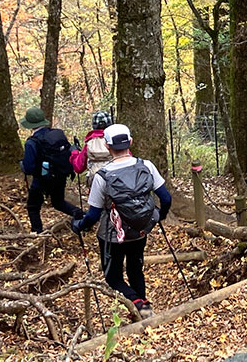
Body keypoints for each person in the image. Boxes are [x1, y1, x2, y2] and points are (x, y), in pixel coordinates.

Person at [72, 123, 172, 318]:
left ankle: (139, 306)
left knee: (113, 277)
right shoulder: (146, 165)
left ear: (108, 147)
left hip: (112, 235)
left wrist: (79, 226)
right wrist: (160, 215)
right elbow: (166, 198)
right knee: (136, 268)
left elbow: (93, 215)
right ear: (131, 142)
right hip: (141, 229)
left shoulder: (103, 176)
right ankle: (143, 308)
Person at [21, 106, 81, 234]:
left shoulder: (31, 142)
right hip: (60, 176)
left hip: (41, 181)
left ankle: (37, 232)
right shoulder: (57, 135)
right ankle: (79, 214)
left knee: (33, 207)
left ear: (31, 125)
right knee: (58, 202)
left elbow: (29, 168)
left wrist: (23, 166)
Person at [70, 110, 114, 184]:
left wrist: (74, 152)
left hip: (95, 182)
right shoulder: (116, 141)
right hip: (115, 182)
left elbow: (78, 167)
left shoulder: (89, 143)